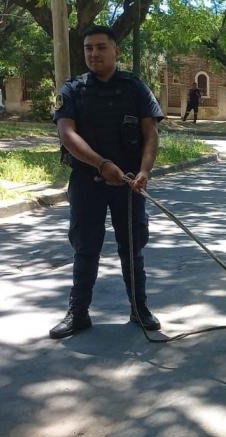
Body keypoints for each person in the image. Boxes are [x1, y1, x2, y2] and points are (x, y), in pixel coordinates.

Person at [49, 25, 165, 339]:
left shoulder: (135, 88)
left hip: (129, 184)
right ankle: (79, 312)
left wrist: (144, 171)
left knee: (132, 249)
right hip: (88, 182)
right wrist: (101, 163)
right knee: (86, 249)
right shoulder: (72, 90)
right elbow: (67, 135)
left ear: (115, 50)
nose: (94, 53)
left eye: (101, 47)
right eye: (88, 48)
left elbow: (150, 134)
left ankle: (139, 310)